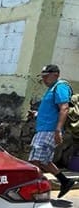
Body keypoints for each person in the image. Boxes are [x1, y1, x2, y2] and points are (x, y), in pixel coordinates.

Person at [28, 64, 77, 198]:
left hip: (49, 131)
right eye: (42, 77)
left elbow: (64, 108)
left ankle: (39, 189)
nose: (44, 80)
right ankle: (65, 181)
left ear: (55, 74)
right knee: (44, 161)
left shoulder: (60, 87)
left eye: (46, 76)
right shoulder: (52, 89)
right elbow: (51, 111)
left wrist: (58, 130)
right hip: (45, 129)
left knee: (34, 161)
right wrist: (37, 114)